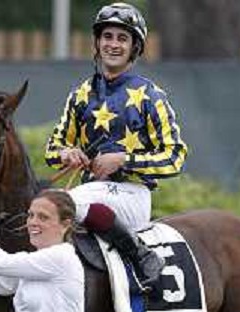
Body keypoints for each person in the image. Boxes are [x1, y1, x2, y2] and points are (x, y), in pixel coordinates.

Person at [45, 2, 188, 291]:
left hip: (132, 196)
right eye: (107, 36)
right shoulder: (80, 95)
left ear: (135, 48)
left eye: (122, 38)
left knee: (61, 203)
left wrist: (123, 160)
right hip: (89, 194)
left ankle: (141, 255)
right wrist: (66, 153)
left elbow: (175, 157)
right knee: (43, 206)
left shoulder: (151, 95)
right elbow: (52, 148)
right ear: (97, 42)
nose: (113, 44)